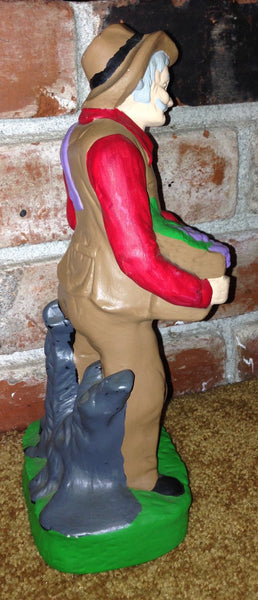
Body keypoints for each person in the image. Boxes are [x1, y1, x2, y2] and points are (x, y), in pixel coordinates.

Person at [58, 24, 230, 494]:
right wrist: (199, 291)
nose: (170, 99)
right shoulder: (116, 149)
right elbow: (135, 257)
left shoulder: (81, 135)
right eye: (162, 87)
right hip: (110, 299)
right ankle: (135, 478)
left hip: (77, 281)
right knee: (143, 386)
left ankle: (81, 443)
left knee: (90, 371)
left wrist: (190, 239)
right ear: (132, 88)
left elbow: (80, 217)